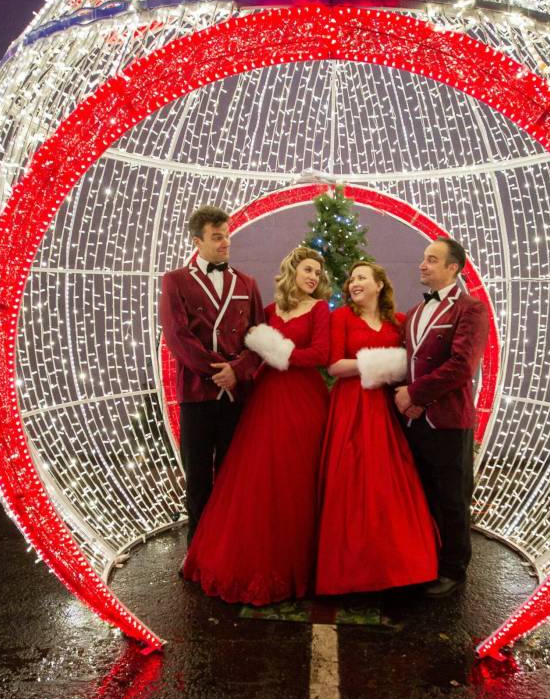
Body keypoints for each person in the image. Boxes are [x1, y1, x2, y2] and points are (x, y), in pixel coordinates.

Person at [182, 246, 331, 605]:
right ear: (292, 270)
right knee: (255, 478)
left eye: (318, 274)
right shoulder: (267, 311)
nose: (313, 278)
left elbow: (322, 354)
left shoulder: (320, 309)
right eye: (308, 270)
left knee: (296, 479)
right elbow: (253, 355)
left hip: (303, 400)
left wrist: (280, 354)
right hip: (265, 399)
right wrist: (237, 373)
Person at [315, 261, 438, 595]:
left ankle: (392, 565)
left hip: (385, 408)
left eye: (362, 278)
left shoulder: (399, 322)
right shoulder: (340, 317)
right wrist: (384, 363)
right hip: (351, 405)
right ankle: (350, 568)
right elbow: (335, 365)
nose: (354, 283)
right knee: (350, 479)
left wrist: (393, 372)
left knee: (386, 482)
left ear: (379, 284)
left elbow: (412, 364)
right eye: (351, 278)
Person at [159, 206, 264, 542]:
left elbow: (259, 336)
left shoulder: (247, 283)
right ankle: (199, 550)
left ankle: (232, 546)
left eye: (227, 235)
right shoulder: (175, 281)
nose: (225, 242)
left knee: (236, 474)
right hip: (197, 393)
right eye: (217, 237)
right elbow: (177, 336)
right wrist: (215, 371)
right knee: (198, 476)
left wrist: (238, 370)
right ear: (197, 241)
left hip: (237, 394)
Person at [394, 238, 489, 597]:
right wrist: (408, 399)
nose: (423, 265)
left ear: (453, 268)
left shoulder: (471, 310)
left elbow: (462, 366)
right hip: (415, 420)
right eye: (423, 259)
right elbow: (409, 362)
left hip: (448, 420)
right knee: (424, 494)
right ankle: (427, 559)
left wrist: (416, 395)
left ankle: (453, 569)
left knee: (452, 497)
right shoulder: (416, 313)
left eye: (432, 260)